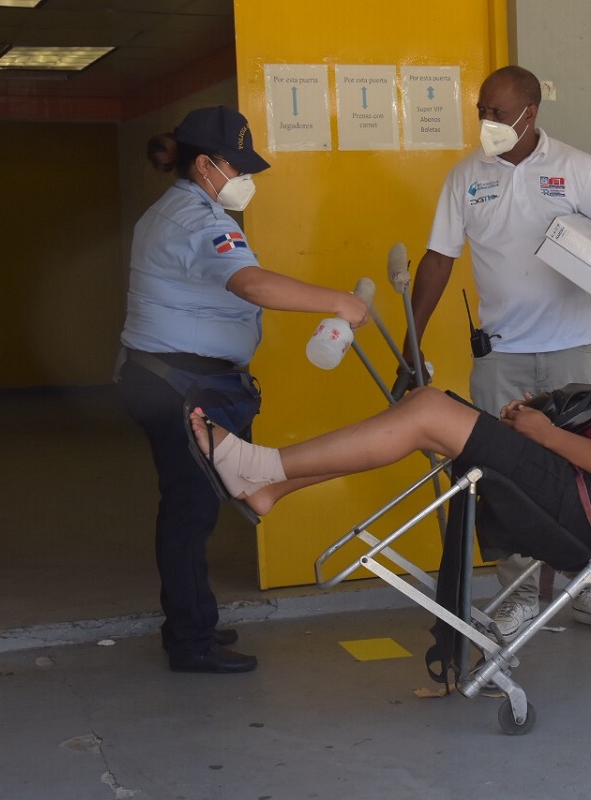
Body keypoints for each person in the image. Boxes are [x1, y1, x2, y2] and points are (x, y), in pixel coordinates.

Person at [185, 273, 591, 635]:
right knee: (428, 412)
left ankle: (264, 469)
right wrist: (542, 419)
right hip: (571, 480)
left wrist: (545, 435)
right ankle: (269, 486)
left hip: (590, 510)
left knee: (425, 413)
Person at [405, 65, 591, 642]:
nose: (488, 122)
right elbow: (439, 259)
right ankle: (518, 597)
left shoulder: (574, 167)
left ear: (530, 113)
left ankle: (590, 587)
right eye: (482, 112)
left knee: (584, 474)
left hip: (572, 353)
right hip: (502, 356)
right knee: (502, 478)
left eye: (498, 112)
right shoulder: (465, 176)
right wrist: (411, 337)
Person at [117, 106, 370, 675]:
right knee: (190, 511)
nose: (247, 180)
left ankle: (192, 619)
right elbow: (250, 283)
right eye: (238, 167)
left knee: (192, 504)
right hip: (177, 385)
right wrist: (338, 301)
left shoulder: (186, 208)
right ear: (204, 164)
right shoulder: (197, 219)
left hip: (170, 378)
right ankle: (189, 640)